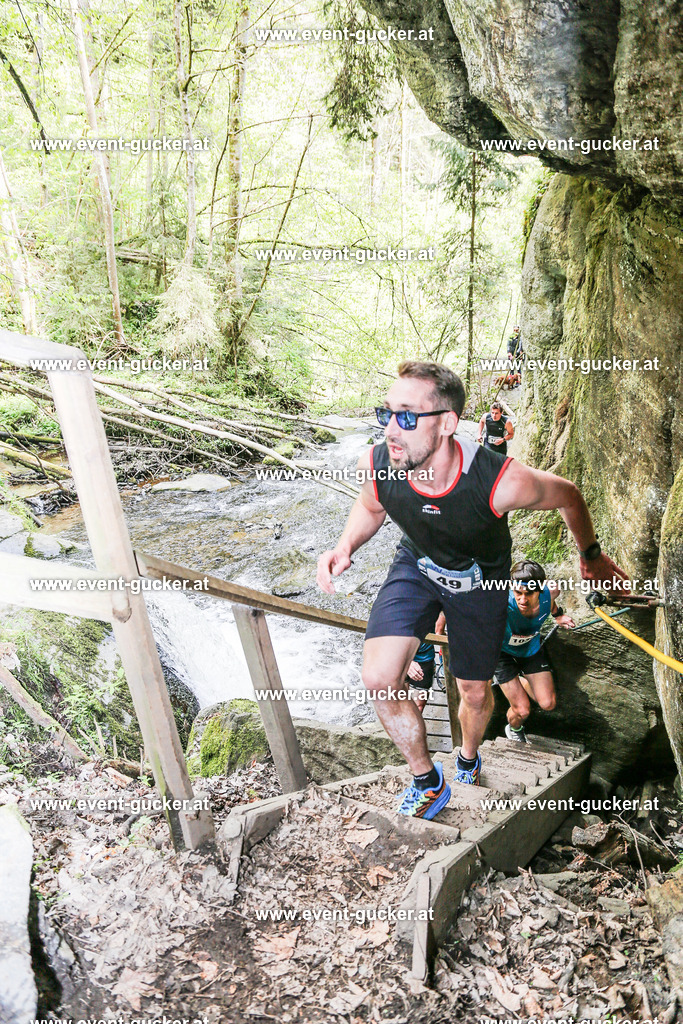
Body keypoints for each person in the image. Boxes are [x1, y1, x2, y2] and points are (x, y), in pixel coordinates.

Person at [316, 360, 626, 820]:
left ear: (446, 423)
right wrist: (345, 546)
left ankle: (468, 756)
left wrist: (591, 556)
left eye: (407, 417)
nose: (390, 431)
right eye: (387, 414)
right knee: (379, 679)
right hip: (417, 565)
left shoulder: (500, 481)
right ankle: (427, 781)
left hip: (480, 583)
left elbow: (569, 494)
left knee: (474, 692)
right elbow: (371, 506)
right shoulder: (378, 464)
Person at [493, 559, 575, 743]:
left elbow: (551, 603)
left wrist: (558, 615)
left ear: (540, 589)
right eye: (518, 592)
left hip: (529, 648)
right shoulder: (500, 601)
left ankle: (518, 680)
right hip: (501, 653)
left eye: (529, 593)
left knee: (548, 703)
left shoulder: (550, 592)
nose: (523, 600)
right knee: (522, 710)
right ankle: (514, 729)